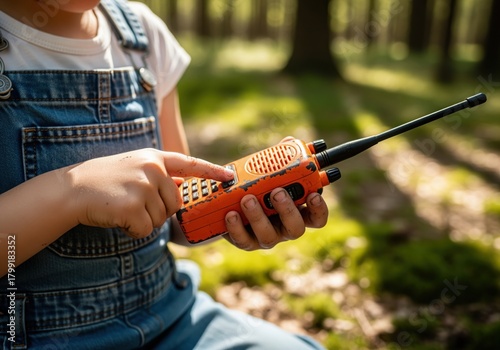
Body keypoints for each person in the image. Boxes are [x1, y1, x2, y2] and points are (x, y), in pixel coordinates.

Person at [0, 1, 329, 349]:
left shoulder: (141, 33)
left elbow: (177, 212)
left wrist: (235, 214)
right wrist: (73, 193)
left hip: (170, 318)